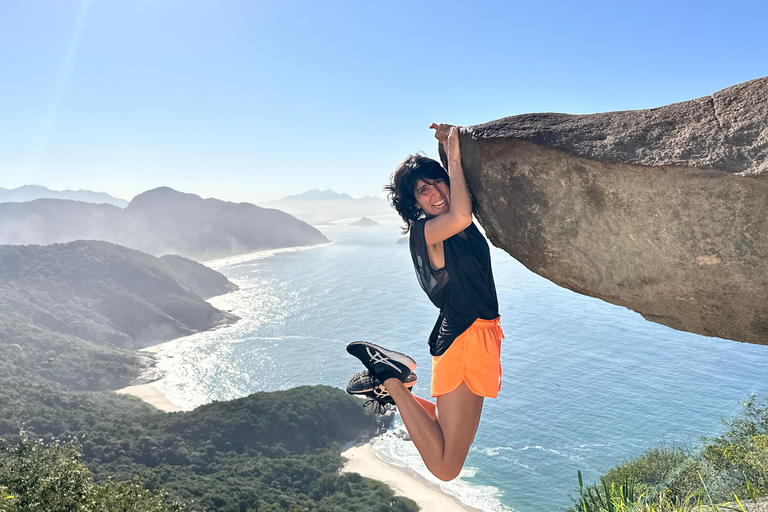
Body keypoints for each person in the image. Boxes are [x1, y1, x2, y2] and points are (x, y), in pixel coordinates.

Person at [346, 124, 503, 482]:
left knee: (443, 432)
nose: (435, 193)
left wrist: (449, 148)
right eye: (423, 190)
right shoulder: (428, 231)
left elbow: (463, 208)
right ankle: (390, 377)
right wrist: (454, 157)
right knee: (446, 467)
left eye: (438, 182)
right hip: (465, 339)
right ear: (413, 203)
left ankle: (392, 381)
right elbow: (462, 213)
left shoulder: (455, 225)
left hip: (474, 336)